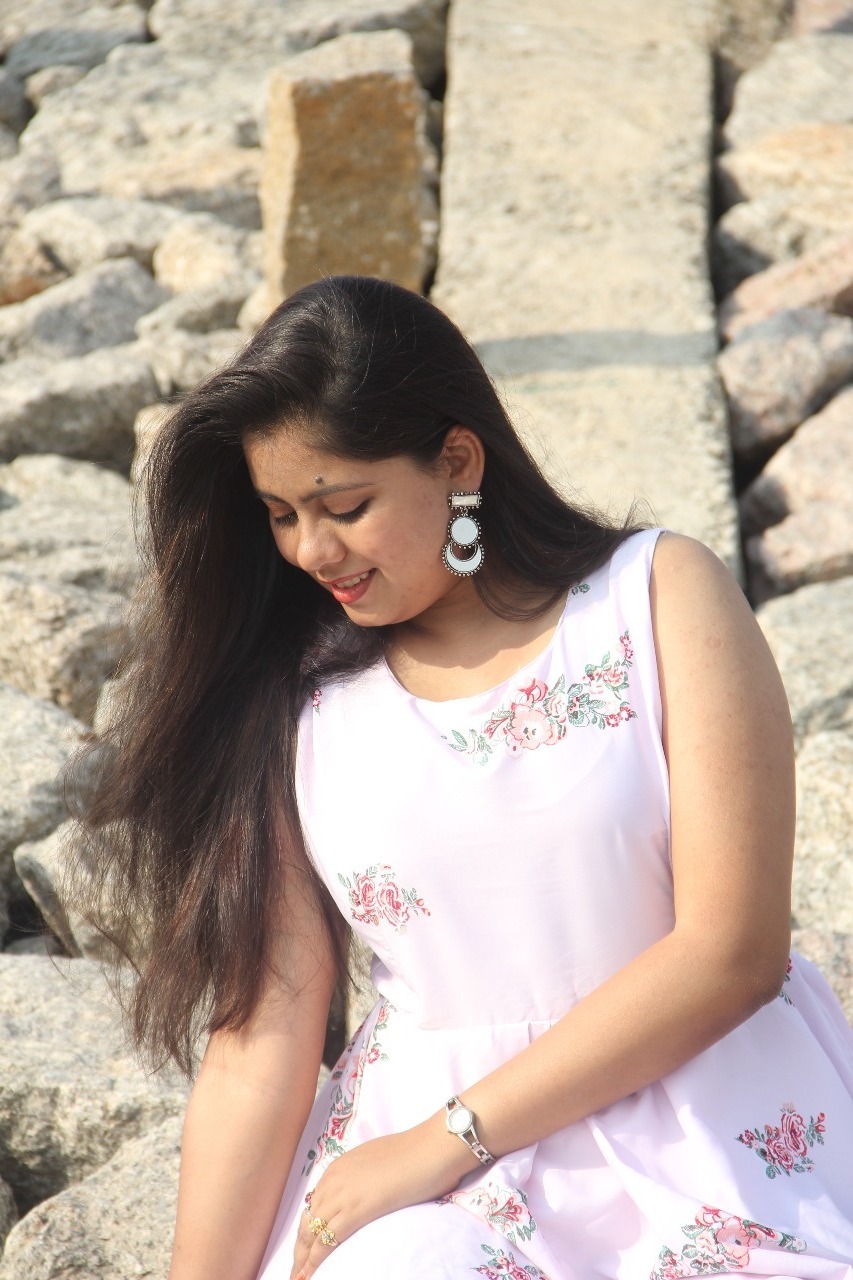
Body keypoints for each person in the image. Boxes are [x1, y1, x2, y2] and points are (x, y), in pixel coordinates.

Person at [80, 275, 853, 1280]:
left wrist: (450, 1137)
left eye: (344, 506)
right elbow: (263, 1031)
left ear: (457, 460)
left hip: (699, 1137)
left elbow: (732, 951)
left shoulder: (654, 596)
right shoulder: (297, 693)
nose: (311, 549)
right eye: (279, 514)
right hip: (416, 1190)